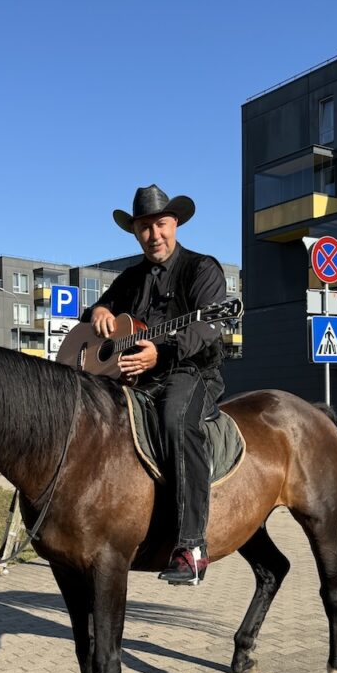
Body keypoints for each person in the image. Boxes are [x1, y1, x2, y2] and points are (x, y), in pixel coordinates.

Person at [88, 185, 227, 586]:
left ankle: (192, 547)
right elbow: (97, 312)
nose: (154, 235)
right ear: (135, 232)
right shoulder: (130, 278)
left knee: (174, 421)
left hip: (192, 372)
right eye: (144, 227)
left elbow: (208, 327)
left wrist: (161, 355)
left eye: (161, 224)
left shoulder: (202, 269)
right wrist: (99, 310)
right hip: (136, 376)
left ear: (175, 223)